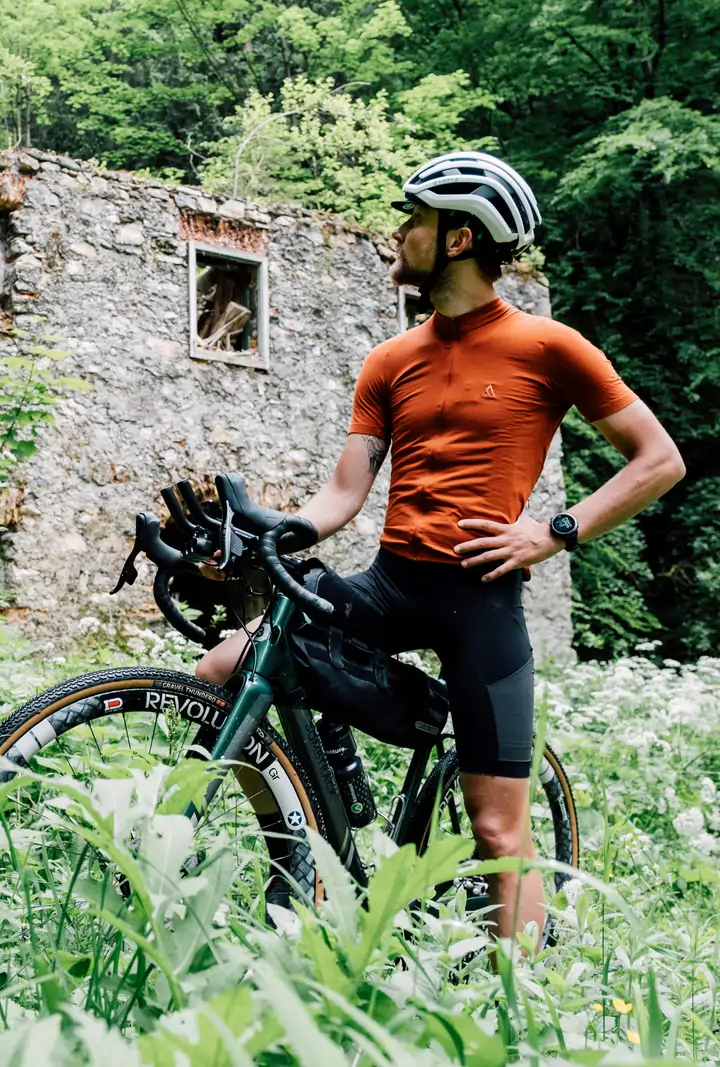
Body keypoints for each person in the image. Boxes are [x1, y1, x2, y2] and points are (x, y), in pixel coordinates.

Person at [194, 151, 685, 945]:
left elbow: (659, 459)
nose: (400, 231)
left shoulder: (549, 347)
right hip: (391, 584)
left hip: (481, 603)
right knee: (223, 664)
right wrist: (285, 526)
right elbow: (345, 493)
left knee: (497, 829)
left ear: (459, 239)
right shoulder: (390, 359)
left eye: (415, 218)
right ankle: (294, 846)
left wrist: (553, 532)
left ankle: (517, 1007)